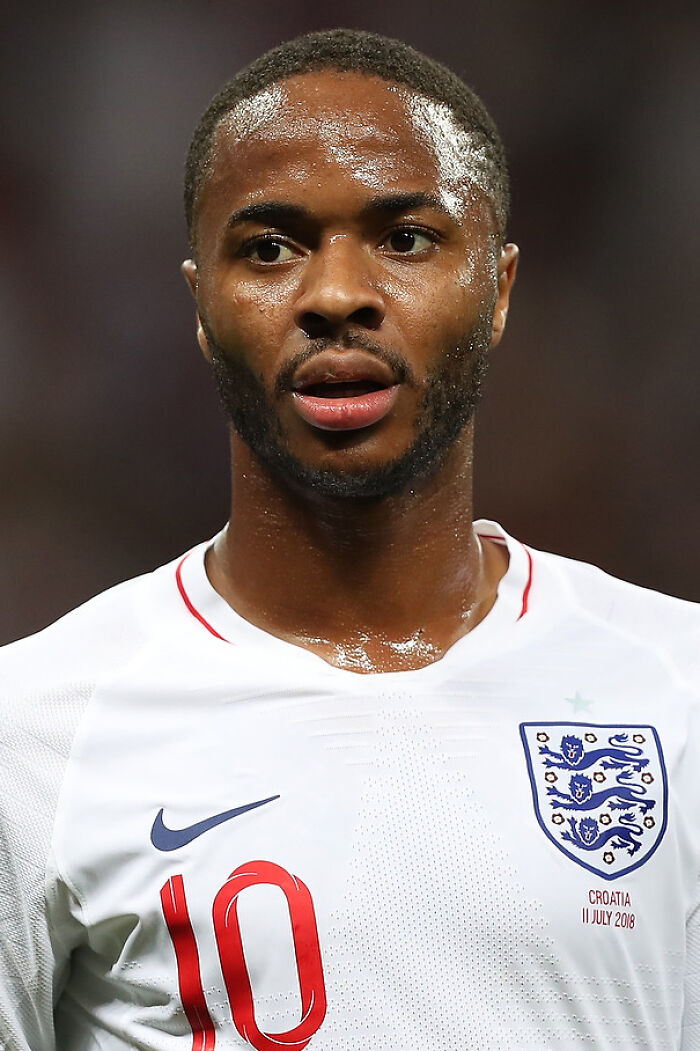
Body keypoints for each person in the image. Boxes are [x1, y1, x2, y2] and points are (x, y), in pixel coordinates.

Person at [1, 26, 698, 1051]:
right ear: (199, 304)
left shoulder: (676, 686)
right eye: (270, 247)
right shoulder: (35, 732)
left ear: (499, 289)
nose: (335, 296)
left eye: (406, 238)